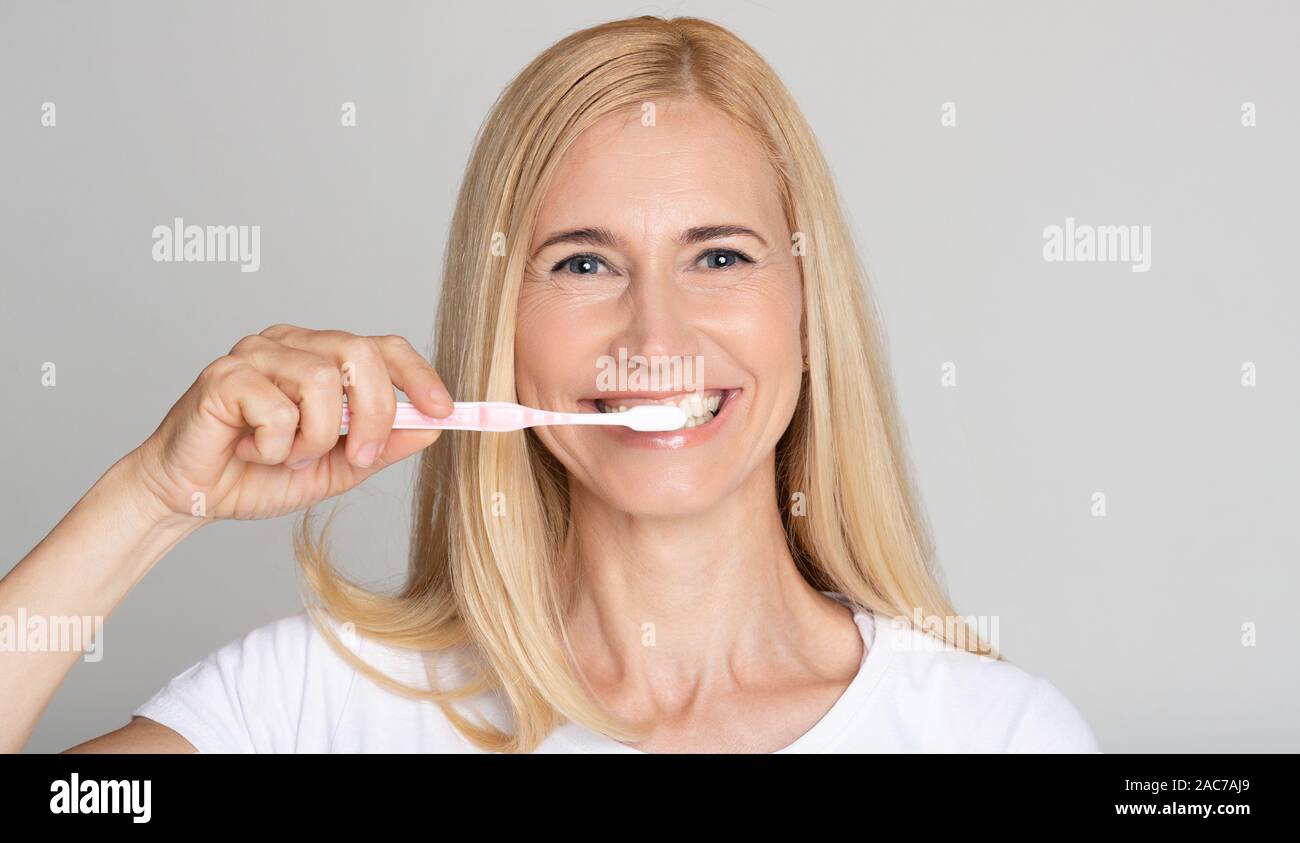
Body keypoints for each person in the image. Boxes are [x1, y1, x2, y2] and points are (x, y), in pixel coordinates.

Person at [0, 15, 1099, 754]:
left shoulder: (993, 736)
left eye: (719, 256)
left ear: (809, 320)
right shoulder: (315, 707)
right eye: (583, 264)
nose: (655, 331)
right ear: (501, 327)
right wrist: (152, 498)